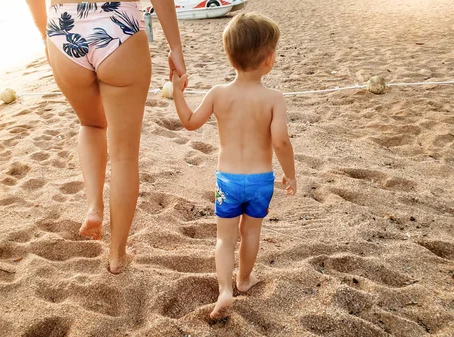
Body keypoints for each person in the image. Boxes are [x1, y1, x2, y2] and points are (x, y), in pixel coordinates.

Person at [25, 0, 188, 274]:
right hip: (117, 27)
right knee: (124, 155)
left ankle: (93, 207)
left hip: (64, 29)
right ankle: (116, 255)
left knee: (90, 125)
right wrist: (175, 47)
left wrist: (46, 34)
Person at [171, 12, 296, 319]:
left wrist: (176, 92)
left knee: (224, 238)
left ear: (230, 58)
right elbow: (280, 140)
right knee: (251, 233)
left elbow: (189, 122)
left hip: (227, 180)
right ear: (269, 59)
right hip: (260, 182)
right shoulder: (273, 98)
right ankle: (244, 279)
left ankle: (225, 289)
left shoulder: (218, 94)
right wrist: (290, 174)